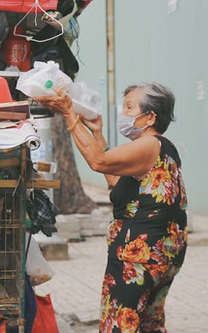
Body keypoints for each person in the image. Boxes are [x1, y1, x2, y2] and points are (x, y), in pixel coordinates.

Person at [36, 82, 188, 333]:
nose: (124, 114)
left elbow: (99, 161)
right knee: (149, 324)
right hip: (163, 255)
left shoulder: (149, 145)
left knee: (119, 323)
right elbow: (114, 180)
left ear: (150, 117)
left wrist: (68, 113)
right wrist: (97, 133)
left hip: (138, 255)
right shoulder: (162, 149)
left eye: (130, 107)